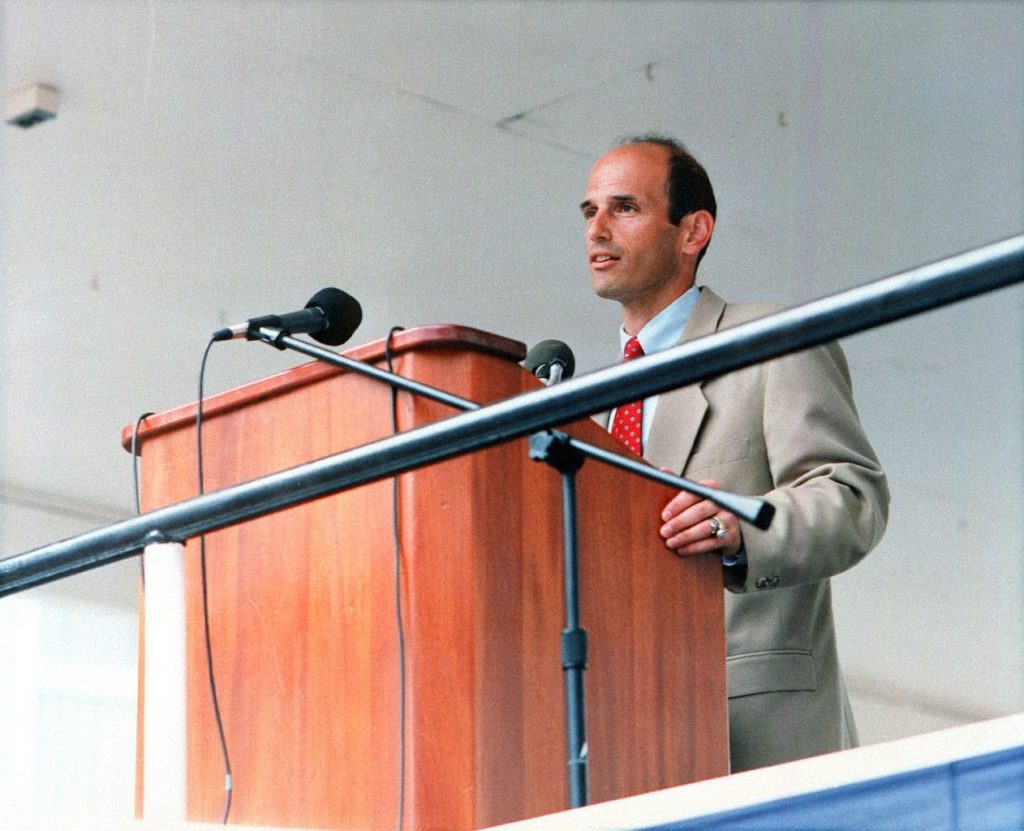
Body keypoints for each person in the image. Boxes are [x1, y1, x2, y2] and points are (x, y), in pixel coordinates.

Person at [581, 135, 889, 772]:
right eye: (589, 212)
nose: (598, 230)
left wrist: (736, 526)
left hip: (756, 738)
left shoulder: (770, 340)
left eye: (624, 208)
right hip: (627, 745)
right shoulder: (582, 402)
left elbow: (853, 498)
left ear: (693, 231)